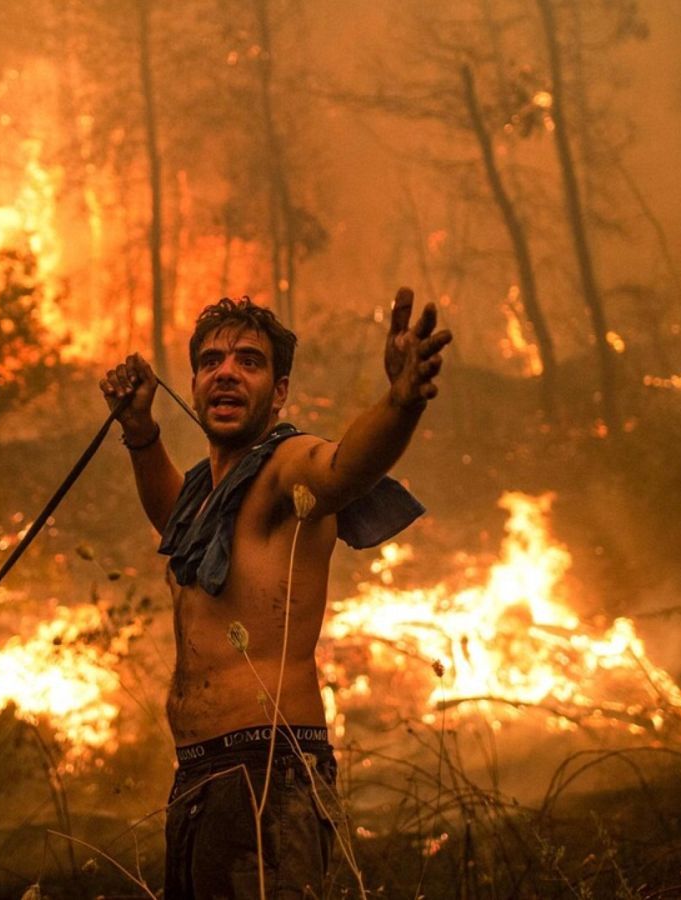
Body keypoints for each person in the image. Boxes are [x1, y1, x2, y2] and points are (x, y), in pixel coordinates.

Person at [100, 289, 452, 897]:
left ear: (279, 390)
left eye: (249, 361)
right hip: (199, 777)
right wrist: (140, 432)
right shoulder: (204, 497)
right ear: (195, 384)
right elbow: (172, 520)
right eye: (211, 362)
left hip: (268, 771)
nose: (226, 372)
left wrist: (401, 402)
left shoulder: (285, 467)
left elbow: (341, 469)